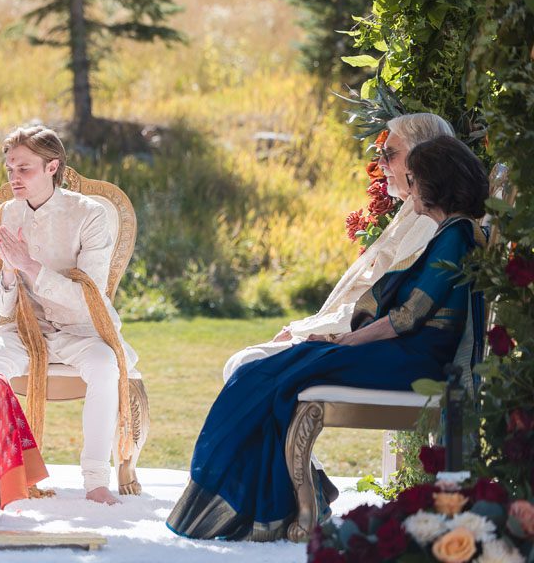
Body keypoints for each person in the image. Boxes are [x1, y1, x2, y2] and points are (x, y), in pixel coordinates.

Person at [168, 135, 488, 541]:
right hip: (404, 351)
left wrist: (345, 343)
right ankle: (277, 503)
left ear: (436, 183)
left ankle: (273, 506)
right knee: (270, 373)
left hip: (415, 358)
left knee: (277, 376)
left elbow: (408, 317)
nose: (410, 184)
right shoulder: (452, 232)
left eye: (415, 176)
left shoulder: (455, 236)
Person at [223, 112, 455, 381]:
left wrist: (313, 333)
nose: (381, 164)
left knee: (247, 364)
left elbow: (389, 307)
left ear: (421, 157)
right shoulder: (413, 212)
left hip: (379, 350)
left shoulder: (429, 221)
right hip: (361, 340)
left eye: (389, 154)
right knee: (246, 364)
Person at [0, 125, 139, 505]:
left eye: (24, 169)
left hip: (83, 329)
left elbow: (90, 298)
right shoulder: (5, 214)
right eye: (10, 170)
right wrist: (8, 271)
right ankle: (2, 472)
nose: (14, 178)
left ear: (52, 166)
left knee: (104, 366)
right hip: (25, 330)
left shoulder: (90, 215)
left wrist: (29, 266)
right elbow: (2, 308)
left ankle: (96, 481)